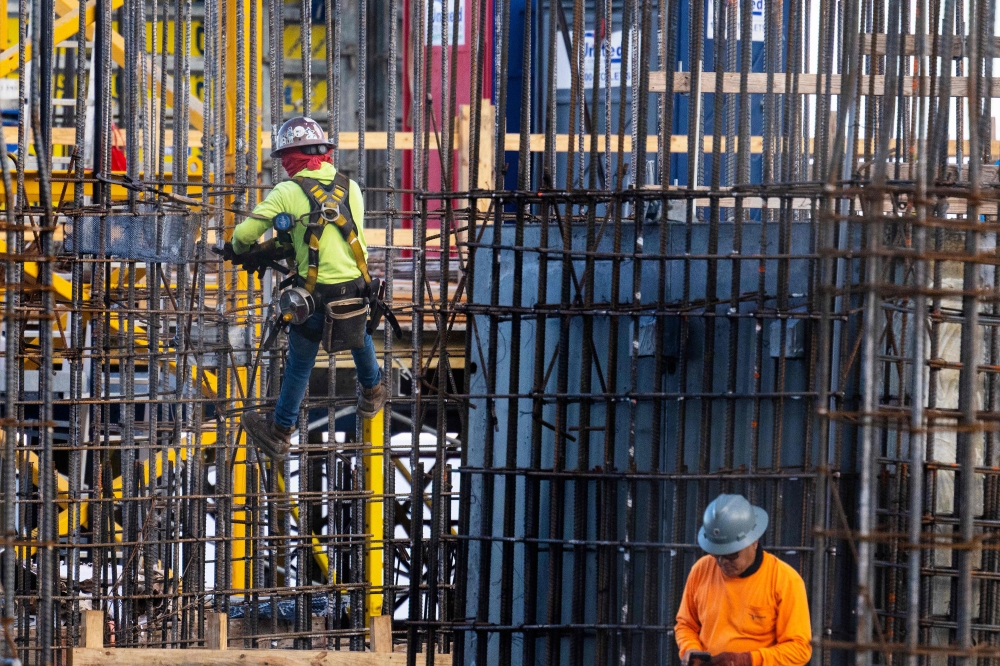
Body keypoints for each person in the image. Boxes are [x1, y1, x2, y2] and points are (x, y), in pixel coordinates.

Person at [231, 116, 387, 462]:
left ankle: (280, 431)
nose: (286, 166)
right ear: (323, 153)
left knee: (301, 360)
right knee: (359, 333)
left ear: (293, 157)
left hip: (313, 301)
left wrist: (242, 251)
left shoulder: (287, 191)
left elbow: (242, 237)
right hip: (357, 294)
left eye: (286, 159)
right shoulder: (353, 187)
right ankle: (373, 389)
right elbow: (346, 240)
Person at [674, 494, 812, 666]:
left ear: (754, 541)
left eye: (731, 555)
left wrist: (747, 660)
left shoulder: (785, 580)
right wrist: (691, 649)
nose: (722, 562)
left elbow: (799, 649)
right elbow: (686, 625)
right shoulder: (701, 569)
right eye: (716, 554)